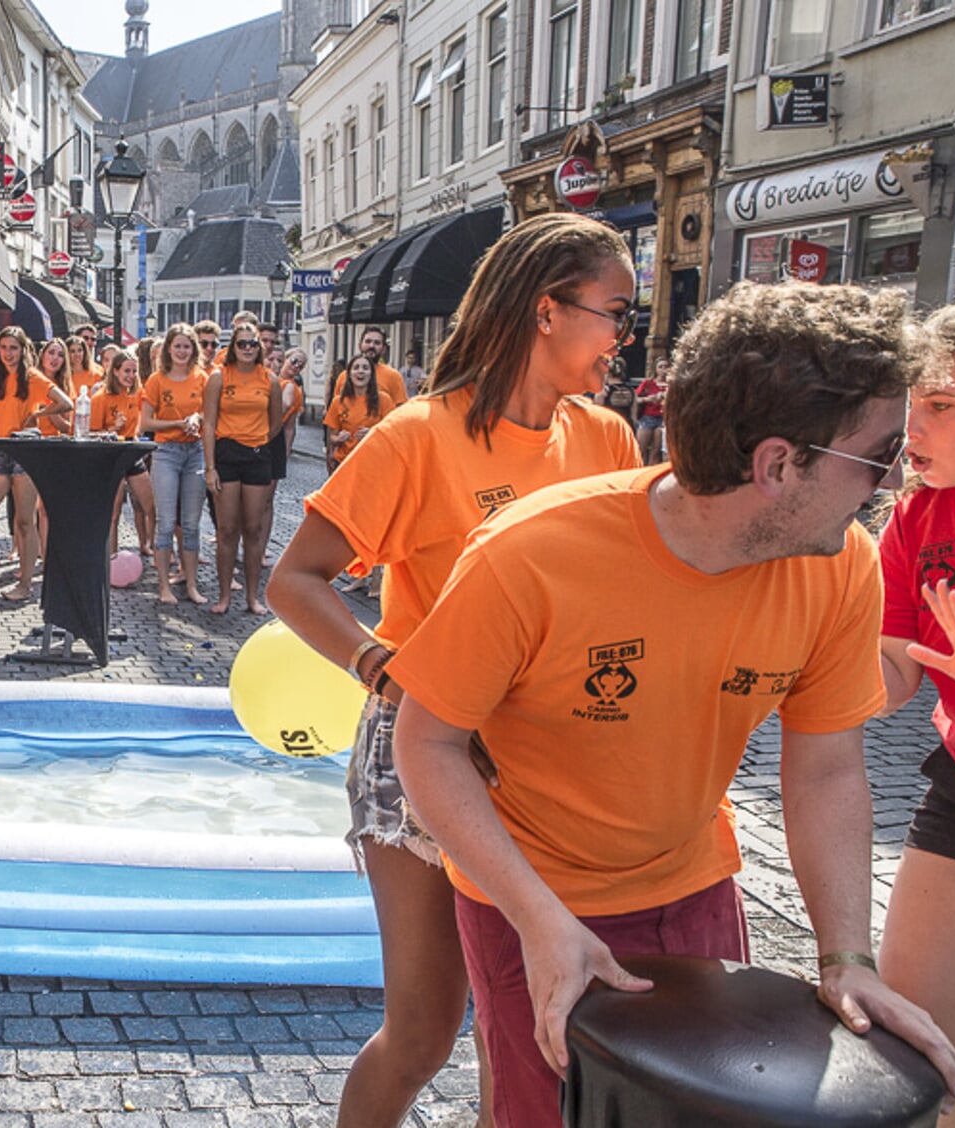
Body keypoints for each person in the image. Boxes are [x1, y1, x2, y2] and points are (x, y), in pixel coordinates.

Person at [388, 280, 955, 1126]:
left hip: (692, 886)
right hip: (529, 896)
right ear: (776, 464)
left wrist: (846, 957)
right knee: (542, 1116)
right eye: (878, 458)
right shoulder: (529, 555)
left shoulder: (844, 563)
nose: (895, 481)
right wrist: (538, 918)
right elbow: (426, 744)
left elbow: (827, 770)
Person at [265, 212, 644, 1128]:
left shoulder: (608, 440)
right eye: (617, 315)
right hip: (427, 755)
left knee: (519, 1034)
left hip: (554, 760)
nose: (625, 341)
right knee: (427, 1032)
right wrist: (377, 663)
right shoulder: (417, 437)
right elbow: (294, 580)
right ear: (547, 311)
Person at [877, 293, 955, 1128]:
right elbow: (890, 670)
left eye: (943, 406)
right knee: (911, 1070)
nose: (913, 429)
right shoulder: (919, 514)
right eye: (910, 406)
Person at [0, 327, 70, 601]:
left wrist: (39, 413)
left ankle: (25, 585)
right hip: (0, 450)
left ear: (23, 350)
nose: (7, 353)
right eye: (3, 348)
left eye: (13, 348)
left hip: (26, 450)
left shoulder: (33, 378)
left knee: (25, 521)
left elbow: (66, 403)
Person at [202, 326, 283, 615]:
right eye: (241, 344)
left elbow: (276, 423)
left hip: (257, 455)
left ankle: (252, 596)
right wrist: (210, 467)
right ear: (233, 347)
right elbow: (208, 423)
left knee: (253, 528)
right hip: (226, 453)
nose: (247, 348)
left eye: (252, 343)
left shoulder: (270, 380)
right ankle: (224, 595)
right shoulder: (219, 377)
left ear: (259, 347)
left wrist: (257, 438)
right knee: (227, 529)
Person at [141, 324, 210, 605]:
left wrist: (198, 420)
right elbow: (145, 423)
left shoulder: (202, 378)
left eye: (187, 346)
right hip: (166, 451)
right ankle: (163, 587)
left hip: (195, 451)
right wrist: (177, 423)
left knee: (192, 524)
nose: (182, 351)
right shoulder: (157, 380)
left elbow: (210, 413)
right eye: (178, 345)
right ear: (169, 348)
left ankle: (192, 584)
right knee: (166, 522)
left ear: (193, 349)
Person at [93, 347, 156, 557]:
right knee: (114, 511)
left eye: (134, 371)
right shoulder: (101, 397)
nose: (130, 376)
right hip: (111, 454)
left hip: (132, 451)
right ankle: (111, 556)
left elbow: (145, 418)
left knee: (150, 505)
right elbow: (91, 433)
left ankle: (154, 547)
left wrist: (137, 433)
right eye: (126, 371)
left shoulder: (138, 394)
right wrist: (113, 429)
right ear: (116, 372)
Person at [321, 355, 399, 472]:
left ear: (371, 375)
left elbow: (393, 433)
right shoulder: (338, 401)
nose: (360, 371)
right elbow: (332, 436)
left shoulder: (384, 400)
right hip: (344, 463)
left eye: (365, 368)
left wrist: (373, 434)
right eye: (356, 368)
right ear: (349, 374)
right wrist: (338, 439)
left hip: (373, 463)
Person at [271, 347, 307, 484]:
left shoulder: (296, 391)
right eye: (294, 361)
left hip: (274, 437)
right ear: (285, 359)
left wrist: (285, 453)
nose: (296, 366)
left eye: (301, 365)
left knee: (267, 495)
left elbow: (290, 427)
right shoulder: (268, 378)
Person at [636, 355, 670, 463]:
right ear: (656, 369)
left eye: (666, 366)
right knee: (641, 448)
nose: (663, 370)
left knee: (657, 450)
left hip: (663, 418)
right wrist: (647, 399)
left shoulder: (671, 384)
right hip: (648, 416)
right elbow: (636, 398)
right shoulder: (648, 383)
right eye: (660, 367)